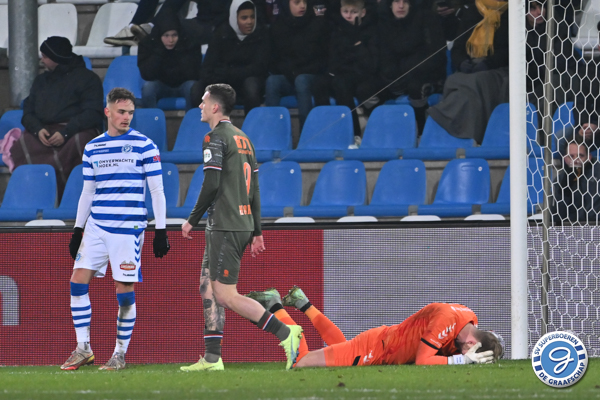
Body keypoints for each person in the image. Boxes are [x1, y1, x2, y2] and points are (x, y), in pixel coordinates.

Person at [179, 84, 303, 372]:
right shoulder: (244, 138)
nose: (200, 106)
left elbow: (211, 184)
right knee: (207, 287)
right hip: (238, 223)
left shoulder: (214, 138)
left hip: (226, 224)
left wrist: (192, 219)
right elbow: (254, 189)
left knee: (226, 295)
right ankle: (212, 358)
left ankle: (286, 333)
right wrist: (257, 230)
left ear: (215, 107)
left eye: (203, 101)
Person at [60, 88, 171, 371]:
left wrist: (160, 230)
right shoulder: (93, 147)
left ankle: (119, 354)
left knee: (123, 292)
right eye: (121, 112)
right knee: (77, 282)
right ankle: (83, 349)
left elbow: (157, 191)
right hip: (97, 226)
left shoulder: (145, 145)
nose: (126, 117)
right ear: (107, 111)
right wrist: (78, 229)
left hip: (127, 228)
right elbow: (88, 192)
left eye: (130, 112)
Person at [246, 286, 504, 367]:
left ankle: (303, 303)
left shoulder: (469, 319)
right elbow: (423, 361)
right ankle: (276, 306)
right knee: (300, 361)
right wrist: (462, 361)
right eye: (468, 352)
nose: (463, 354)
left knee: (340, 347)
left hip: (382, 339)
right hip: (377, 349)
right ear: (472, 343)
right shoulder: (446, 321)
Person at [11, 36, 103, 200]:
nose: (42, 60)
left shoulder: (88, 79)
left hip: (76, 130)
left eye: (45, 56)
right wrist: (38, 129)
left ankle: (71, 196)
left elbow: (92, 113)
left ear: (56, 58)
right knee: (22, 144)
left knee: (81, 143)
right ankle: (35, 197)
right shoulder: (41, 81)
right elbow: (28, 112)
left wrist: (66, 133)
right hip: (45, 131)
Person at [356, 0, 446, 134]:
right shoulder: (382, 22)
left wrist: (408, 72)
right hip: (395, 78)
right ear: (390, 4)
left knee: (416, 87)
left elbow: (436, 55)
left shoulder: (426, 18)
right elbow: (382, 56)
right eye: (397, 1)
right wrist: (390, 76)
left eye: (405, 2)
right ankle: (383, 128)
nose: (401, 6)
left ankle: (421, 132)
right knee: (365, 89)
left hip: (422, 75)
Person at [428, 0, 510, 143]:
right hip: (471, 68)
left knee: (476, 82)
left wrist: (488, 63)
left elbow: (509, 50)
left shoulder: (511, 13)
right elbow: (458, 47)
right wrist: (461, 62)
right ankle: (454, 126)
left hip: (498, 70)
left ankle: (465, 130)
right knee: (454, 80)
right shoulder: (472, 12)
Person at [312, 0, 378, 142]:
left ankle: (354, 134)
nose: (348, 16)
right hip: (341, 72)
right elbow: (333, 59)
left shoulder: (370, 32)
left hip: (362, 75)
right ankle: (326, 131)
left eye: (353, 12)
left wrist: (358, 46)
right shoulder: (337, 31)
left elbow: (371, 65)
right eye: (345, 12)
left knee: (341, 83)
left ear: (363, 13)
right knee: (319, 83)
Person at [190, 0, 270, 115]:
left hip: (245, 85)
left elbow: (258, 68)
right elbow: (207, 69)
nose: (249, 22)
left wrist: (227, 73)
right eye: (244, 18)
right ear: (234, 18)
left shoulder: (261, 34)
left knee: (251, 85)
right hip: (224, 84)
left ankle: (251, 124)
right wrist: (223, 76)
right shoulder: (220, 34)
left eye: (252, 17)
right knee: (197, 89)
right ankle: (201, 124)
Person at [265, 0, 330, 136]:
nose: (302, 6)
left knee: (301, 80)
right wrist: (291, 72)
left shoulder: (318, 25)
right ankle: (273, 134)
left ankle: (306, 135)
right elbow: (274, 61)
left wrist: (299, 72)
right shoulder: (278, 27)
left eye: (305, 2)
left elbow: (323, 59)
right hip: (290, 76)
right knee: (273, 81)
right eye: (297, 2)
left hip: (311, 77)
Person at [137, 10, 202, 111]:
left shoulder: (190, 43)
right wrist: (159, 53)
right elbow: (146, 74)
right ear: (159, 35)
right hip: (160, 85)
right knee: (148, 88)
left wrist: (179, 51)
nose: (171, 40)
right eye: (166, 36)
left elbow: (195, 74)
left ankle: (191, 120)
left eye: (174, 35)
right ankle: (153, 119)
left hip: (184, 84)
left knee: (193, 87)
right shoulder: (148, 44)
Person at [104, 0, 230, 47]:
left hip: (214, 27)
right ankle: (134, 28)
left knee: (172, 28)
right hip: (200, 22)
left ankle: (148, 33)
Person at [553, 137, 600, 225]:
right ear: (565, 159)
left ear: (589, 157)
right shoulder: (560, 180)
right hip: (570, 228)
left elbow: (593, 212)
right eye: (571, 156)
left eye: (580, 156)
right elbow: (559, 215)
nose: (576, 160)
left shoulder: (598, 174)